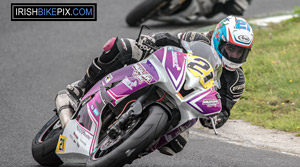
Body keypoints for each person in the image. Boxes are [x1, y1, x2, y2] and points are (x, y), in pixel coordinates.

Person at [55, 15, 253, 156]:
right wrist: (150, 42)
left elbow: (224, 110)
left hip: (185, 104)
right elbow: (170, 39)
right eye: (231, 49)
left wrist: (216, 118)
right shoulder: (199, 39)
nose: (234, 56)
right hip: (165, 72)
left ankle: (134, 145)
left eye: (240, 52)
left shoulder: (236, 81)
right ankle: (81, 87)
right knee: (121, 46)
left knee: (177, 144)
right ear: (219, 40)